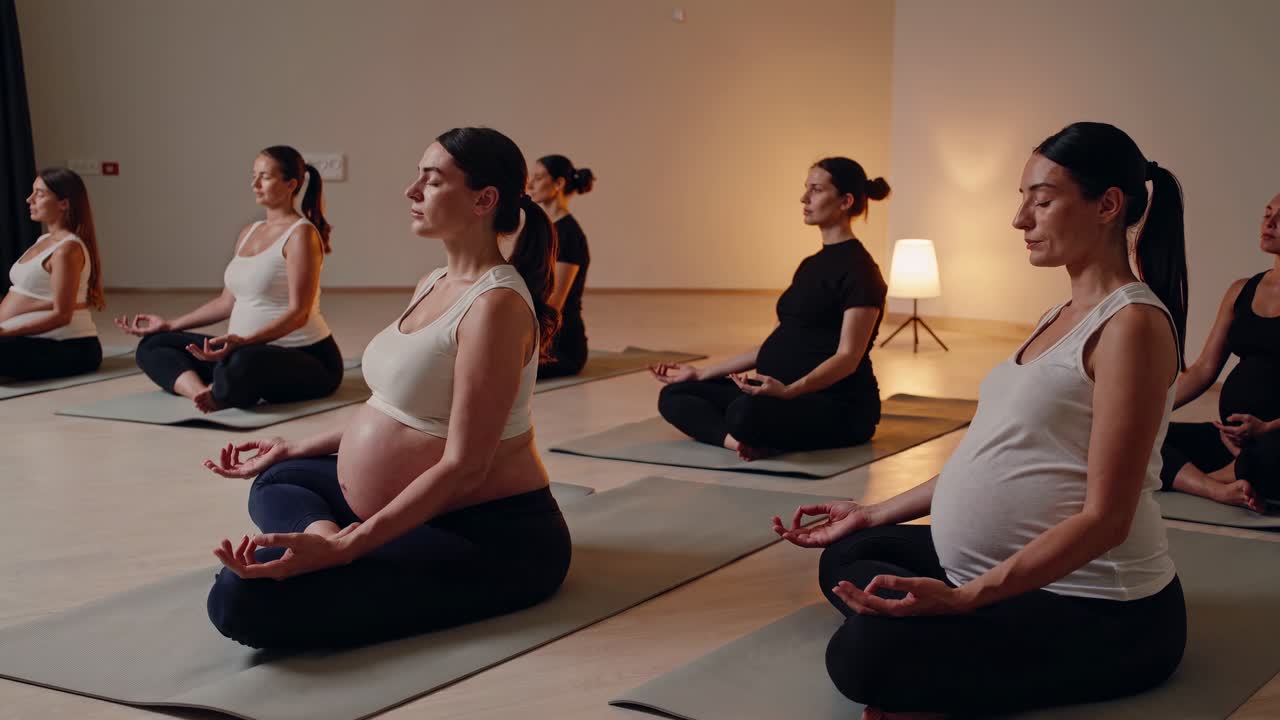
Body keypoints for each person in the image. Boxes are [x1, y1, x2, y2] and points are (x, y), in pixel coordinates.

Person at [775, 122, 1188, 718]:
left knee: (864, 656)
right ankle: (954, 640)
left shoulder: (1133, 327)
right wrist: (869, 511)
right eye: (1023, 201)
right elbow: (993, 457)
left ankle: (949, 642)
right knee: (847, 554)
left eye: (1041, 201)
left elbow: (1107, 521)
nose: (1021, 219)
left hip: (1099, 607)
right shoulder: (1061, 313)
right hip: (996, 571)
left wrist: (965, 598)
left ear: (1107, 205)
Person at [202, 127, 571, 651]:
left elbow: (466, 466)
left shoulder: (496, 307)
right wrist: (293, 447)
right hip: (400, 508)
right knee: (278, 477)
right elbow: (393, 408)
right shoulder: (433, 282)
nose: (411, 191)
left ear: (483, 199)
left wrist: (349, 546)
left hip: (488, 533)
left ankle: (335, 541)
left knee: (239, 598)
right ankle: (324, 532)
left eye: (433, 180)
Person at [650, 157, 889, 460]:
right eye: (806, 189)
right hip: (776, 393)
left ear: (845, 201)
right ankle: (736, 443)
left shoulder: (861, 271)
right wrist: (701, 374)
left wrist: (790, 391)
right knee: (675, 394)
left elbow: (847, 357)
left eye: (815, 190)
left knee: (744, 412)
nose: (804, 199)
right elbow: (773, 343)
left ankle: (744, 432)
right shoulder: (810, 264)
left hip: (833, 404)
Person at [115, 146, 342, 412]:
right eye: (253, 175)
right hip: (239, 349)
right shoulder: (250, 231)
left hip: (306, 358)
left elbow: (299, 314)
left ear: (291, 184)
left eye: (265, 177)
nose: (254, 184)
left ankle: (223, 386)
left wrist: (243, 342)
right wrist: (170, 325)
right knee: (153, 345)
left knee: (242, 362)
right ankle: (202, 393)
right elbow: (226, 302)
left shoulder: (301, 235)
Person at [1157, 190, 1280, 512]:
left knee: (1272, 456)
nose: (1271, 222)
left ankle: (1205, 477)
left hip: (1274, 440)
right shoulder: (1242, 290)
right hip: (1229, 438)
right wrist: (1151, 411)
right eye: (1268, 213)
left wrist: (1267, 428)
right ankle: (1218, 486)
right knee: (1138, 441)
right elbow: (1203, 370)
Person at [0, 168, 105, 379]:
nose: (29, 199)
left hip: (69, 346)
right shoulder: (44, 241)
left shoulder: (67, 250)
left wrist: (5, 332)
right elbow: (46, 299)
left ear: (64, 203)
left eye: (39, 194)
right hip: (32, 339)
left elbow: (62, 315)